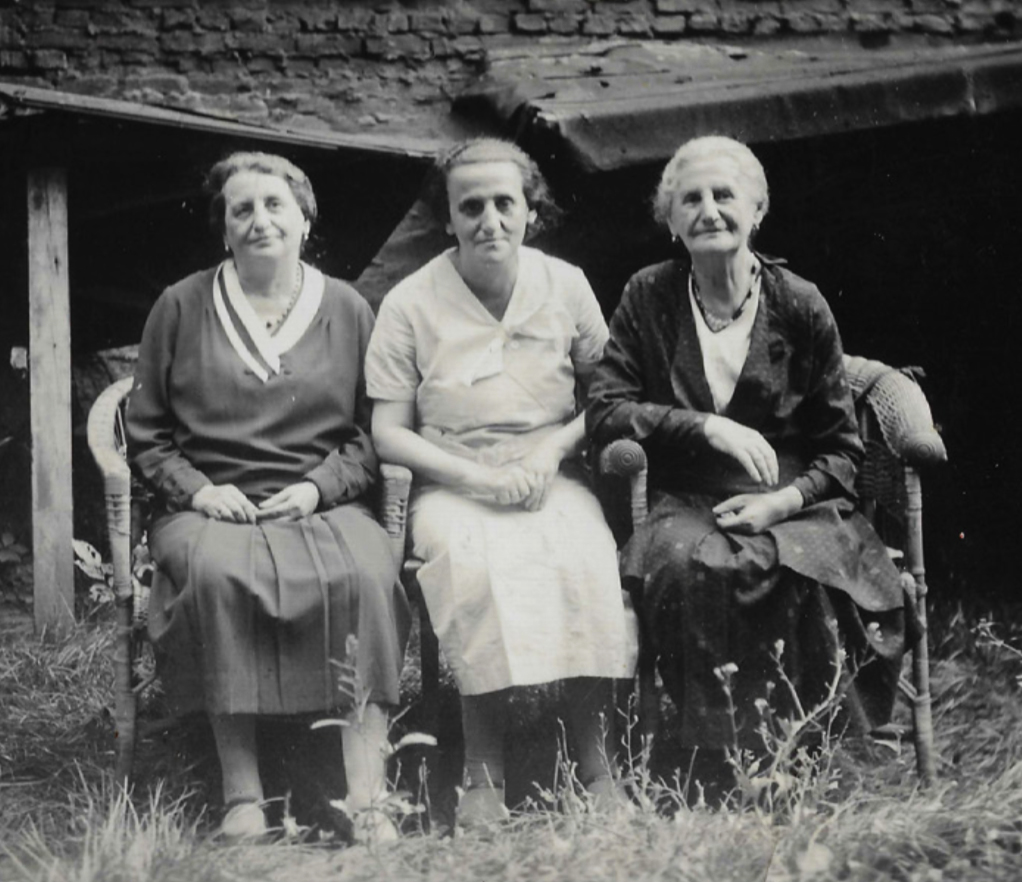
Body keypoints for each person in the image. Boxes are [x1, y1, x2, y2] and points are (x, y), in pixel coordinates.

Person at [587, 136, 905, 781]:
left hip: (794, 496)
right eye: (690, 199)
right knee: (681, 564)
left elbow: (843, 447)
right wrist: (703, 426)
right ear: (671, 221)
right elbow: (606, 411)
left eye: (724, 195)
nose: (709, 210)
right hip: (686, 492)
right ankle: (708, 758)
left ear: (757, 209)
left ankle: (798, 749)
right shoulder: (648, 295)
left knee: (789, 567)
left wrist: (781, 503)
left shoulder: (799, 303)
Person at [127, 152, 409, 843]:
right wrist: (199, 491)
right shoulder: (180, 305)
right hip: (211, 506)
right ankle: (242, 792)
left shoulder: (346, 307)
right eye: (241, 209)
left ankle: (366, 796)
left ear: (304, 219)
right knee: (219, 574)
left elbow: (376, 431)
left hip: (322, 502)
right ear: (223, 229)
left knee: (365, 574)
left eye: (275, 205)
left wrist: (318, 488)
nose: (260, 221)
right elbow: (147, 433)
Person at [366, 138, 636, 824]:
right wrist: (474, 478)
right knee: (478, 565)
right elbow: (390, 430)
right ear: (448, 218)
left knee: (581, 557)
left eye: (504, 203)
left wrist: (548, 457)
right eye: (471, 206)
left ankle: (594, 760)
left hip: (549, 469)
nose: (489, 220)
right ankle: (481, 769)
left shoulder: (566, 284)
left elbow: (606, 397)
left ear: (530, 211)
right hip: (453, 478)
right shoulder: (410, 301)